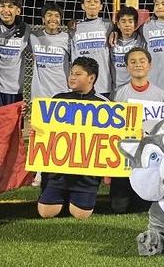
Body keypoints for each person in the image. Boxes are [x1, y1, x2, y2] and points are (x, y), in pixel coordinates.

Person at [36, 57, 109, 219]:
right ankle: (54, 191)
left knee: (80, 215)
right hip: (59, 172)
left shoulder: (104, 104)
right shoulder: (58, 99)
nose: (72, 77)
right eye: (71, 73)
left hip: (86, 176)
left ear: (91, 78)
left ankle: (78, 196)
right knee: (46, 213)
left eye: (78, 74)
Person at [110, 47, 164, 214]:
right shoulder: (119, 94)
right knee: (118, 207)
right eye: (133, 62)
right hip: (125, 156)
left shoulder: (160, 95)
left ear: (149, 66)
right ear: (127, 67)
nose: (138, 65)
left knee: (144, 206)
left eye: (142, 61)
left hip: (149, 157)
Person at [71, 0, 114, 96]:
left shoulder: (108, 25)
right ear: (83, 6)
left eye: (96, 1)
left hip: (103, 84)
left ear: (101, 6)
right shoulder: (74, 28)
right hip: (81, 85)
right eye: (88, 1)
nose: (92, 4)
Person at [28, 2, 71, 99]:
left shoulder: (68, 38)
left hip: (62, 91)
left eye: (57, 16)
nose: (53, 19)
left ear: (60, 19)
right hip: (39, 94)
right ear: (43, 19)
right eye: (49, 15)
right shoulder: (34, 37)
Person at [110, 5, 146, 92]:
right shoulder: (111, 39)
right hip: (116, 89)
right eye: (123, 21)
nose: (127, 25)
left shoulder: (142, 39)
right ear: (118, 24)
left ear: (136, 24)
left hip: (136, 89)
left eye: (130, 21)